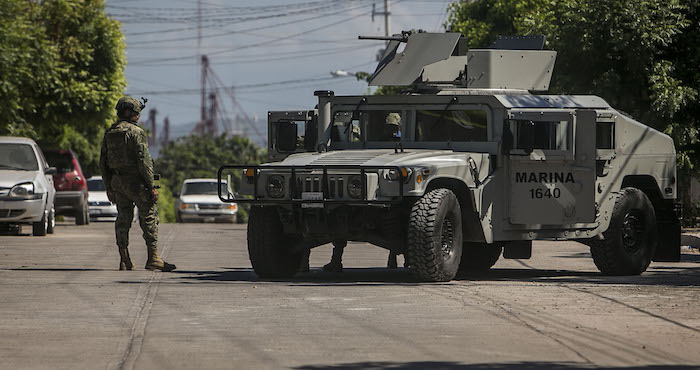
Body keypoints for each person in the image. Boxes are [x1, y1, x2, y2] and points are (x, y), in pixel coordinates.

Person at [99, 96, 176, 272]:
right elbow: (144, 162)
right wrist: (152, 187)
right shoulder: (136, 132)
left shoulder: (110, 133)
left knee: (123, 219)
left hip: (118, 182)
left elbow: (102, 162)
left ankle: (124, 259)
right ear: (129, 112)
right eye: (136, 112)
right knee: (149, 217)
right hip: (136, 183)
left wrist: (108, 187)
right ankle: (153, 258)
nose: (138, 115)